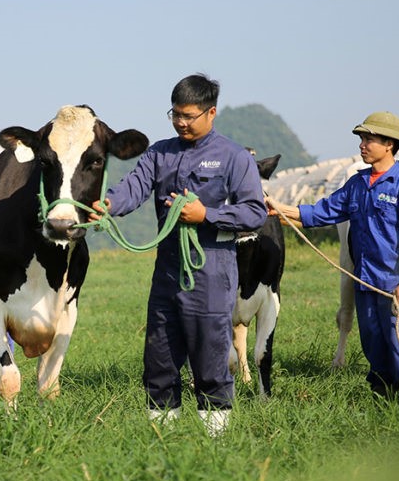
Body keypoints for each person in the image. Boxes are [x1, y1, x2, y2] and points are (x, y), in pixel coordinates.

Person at [91, 74, 267, 436]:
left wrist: (207, 215)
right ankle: (162, 438)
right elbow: (134, 188)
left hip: (212, 271)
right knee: (160, 361)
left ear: (211, 112)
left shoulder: (234, 157)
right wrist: (108, 204)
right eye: (175, 115)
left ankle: (215, 440)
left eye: (189, 115)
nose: (181, 122)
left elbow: (255, 212)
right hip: (167, 272)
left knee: (210, 360)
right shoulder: (160, 152)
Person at [267, 112, 399, 402]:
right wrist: (280, 208)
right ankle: (383, 396)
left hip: (395, 284)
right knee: (373, 343)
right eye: (361, 139)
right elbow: (321, 212)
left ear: (389, 144)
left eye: (369, 139)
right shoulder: (357, 184)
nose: (362, 145)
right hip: (365, 280)